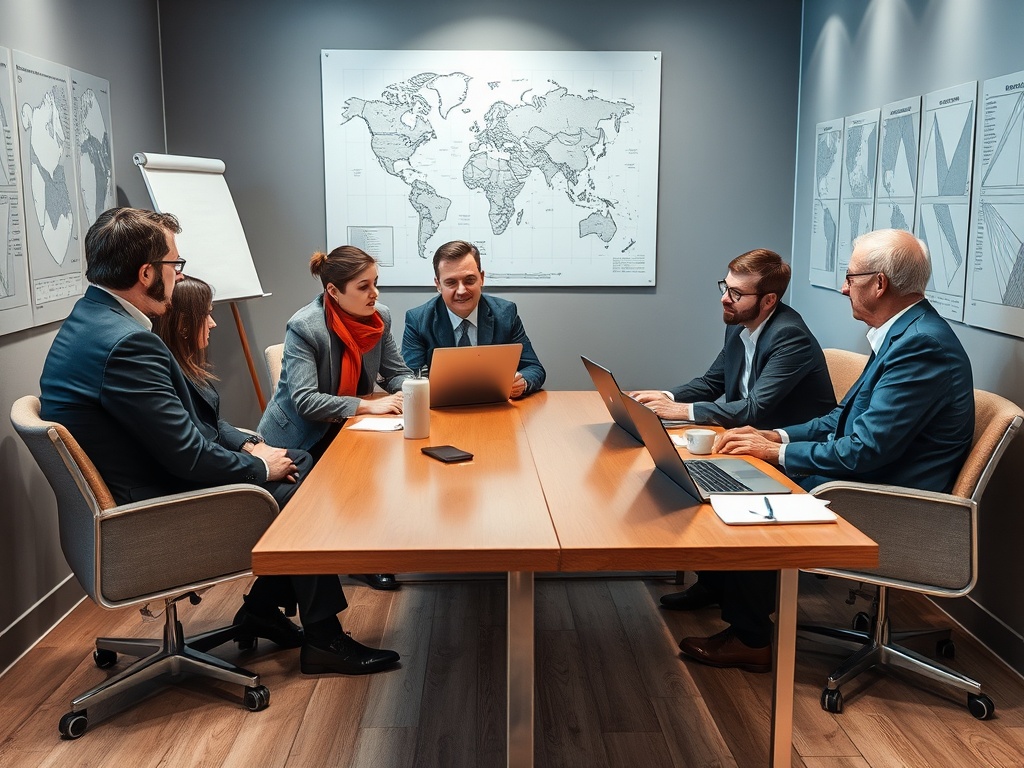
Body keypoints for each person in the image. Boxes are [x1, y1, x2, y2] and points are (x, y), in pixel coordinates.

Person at [39, 207, 399, 676]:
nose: (178, 274)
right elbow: (186, 454)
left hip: (141, 479)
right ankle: (325, 637)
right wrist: (258, 468)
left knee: (297, 460)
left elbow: (188, 423)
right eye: (175, 265)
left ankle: (262, 610)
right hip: (146, 510)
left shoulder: (93, 320)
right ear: (147, 273)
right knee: (300, 491)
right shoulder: (128, 343)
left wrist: (251, 445)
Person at [676, 228, 975, 673]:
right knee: (742, 468)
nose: (842, 286)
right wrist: (777, 437)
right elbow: (842, 419)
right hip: (874, 475)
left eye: (850, 276)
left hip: (891, 500)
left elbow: (863, 451)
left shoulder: (920, 345)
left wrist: (775, 455)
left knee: (754, 494)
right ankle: (733, 605)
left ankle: (751, 638)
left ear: (879, 285)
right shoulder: (902, 332)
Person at [628, 248, 836, 612]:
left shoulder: (790, 337)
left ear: (768, 300)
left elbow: (756, 409)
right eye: (725, 286)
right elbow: (711, 382)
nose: (725, 297)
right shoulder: (741, 326)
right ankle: (713, 585)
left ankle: (747, 627)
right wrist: (662, 396)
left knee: (709, 482)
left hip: (793, 452)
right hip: (750, 441)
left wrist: (679, 411)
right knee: (686, 472)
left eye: (737, 293)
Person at [258, 245, 412, 592]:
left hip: (350, 426)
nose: (374, 293)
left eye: (376, 283)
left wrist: (418, 389)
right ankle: (353, 560)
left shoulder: (380, 317)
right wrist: (366, 405)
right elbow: (305, 400)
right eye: (363, 286)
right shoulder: (304, 327)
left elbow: (395, 372)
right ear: (333, 292)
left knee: (387, 469)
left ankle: (366, 558)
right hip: (299, 437)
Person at [402, 240, 545, 398]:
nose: (462, 290)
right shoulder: (418, 320)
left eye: (469, 280)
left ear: (482, 278)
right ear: (438, 284)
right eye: (451, 282)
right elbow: (410, 377)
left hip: (495, 409)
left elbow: (534, 368)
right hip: (442, 411)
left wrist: (521, 382)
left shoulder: (506, 313)